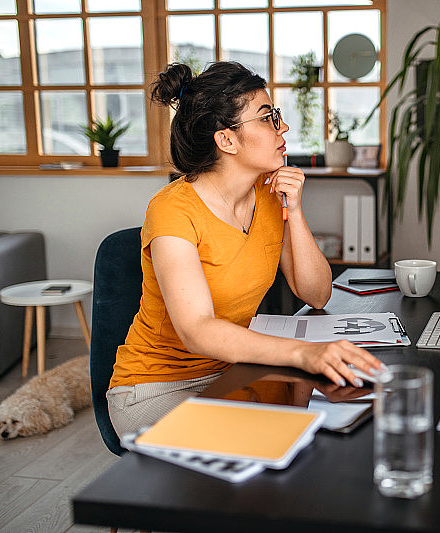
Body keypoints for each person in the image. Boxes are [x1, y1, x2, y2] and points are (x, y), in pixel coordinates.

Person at [106, 61, 384, 437]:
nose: (283, 128)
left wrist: (295, 210)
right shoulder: (172, 208)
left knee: (329, 419)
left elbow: (316, 294)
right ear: (227, 140)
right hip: (157, 387)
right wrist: (302, 352)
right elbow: (197, 330)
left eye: (277, 116)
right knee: (276, 434)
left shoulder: (268, 196)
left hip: (234, 369)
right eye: (268, 118)